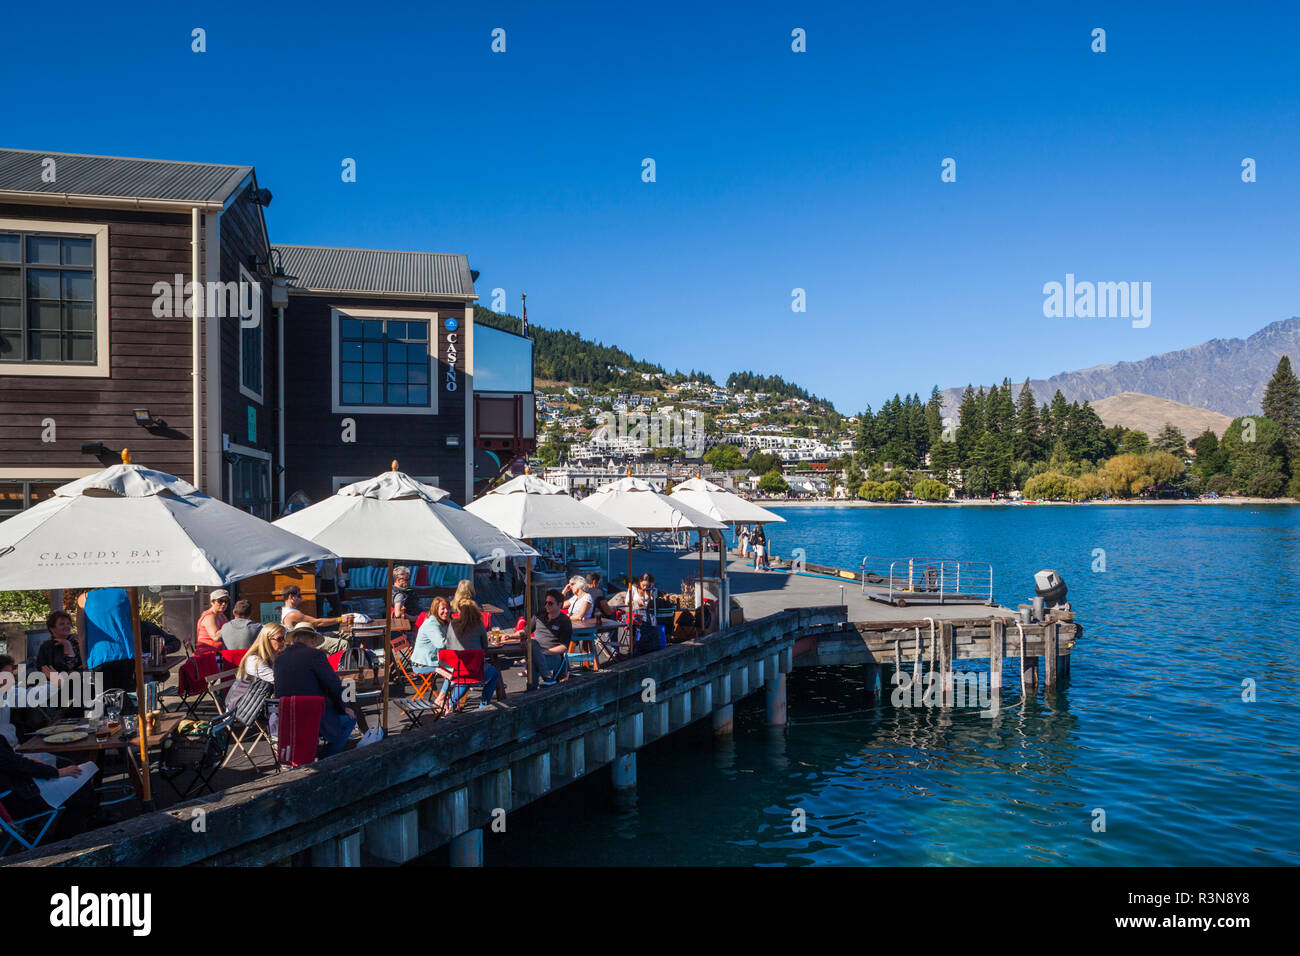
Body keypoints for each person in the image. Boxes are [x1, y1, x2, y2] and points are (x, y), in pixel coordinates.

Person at [272, 624, 356, 758]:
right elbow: (333, 685)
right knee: (351, 718)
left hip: (287, 718)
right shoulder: (315, 655)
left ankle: (317, 754)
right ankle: (328, 758)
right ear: (312, 640)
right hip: (312, 716)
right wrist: (343, 708)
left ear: (294, 640)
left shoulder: (279, 659)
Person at [0, 733, 98, 840]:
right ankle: (65, 837)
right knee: (79, 785)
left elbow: (9, 760)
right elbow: (16, 766)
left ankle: (93, 818)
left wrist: (24, 759)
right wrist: (57, 773)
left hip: (16, 790)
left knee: (67, 765)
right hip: (16, 799)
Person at [444, 592, 500, 710]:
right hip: (475, 671)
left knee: (463, 680)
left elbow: (447, 645)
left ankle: (451, 704)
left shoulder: (452, 624)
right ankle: (483, 704)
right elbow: (485, 647)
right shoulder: (478, 624)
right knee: (495, 674)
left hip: (454, 669)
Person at [76, 589, 136, 691]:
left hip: (98, 656)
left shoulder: (84, 599)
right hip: (125, 653)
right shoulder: (128, 594)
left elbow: (82, 635)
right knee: (123, 697)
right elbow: (135, 626)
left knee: (104, 700)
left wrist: (84, 662)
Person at [225, 623, 284, 711]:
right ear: (267, 640)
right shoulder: (254, 660)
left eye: (285, 638)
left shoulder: (273, 655)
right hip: (240, 705)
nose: (284, 642)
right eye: (280, 639)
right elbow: (279, 680)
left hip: (256, 702)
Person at [280, 585, 351, 654]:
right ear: (291, 597)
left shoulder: (288, 610)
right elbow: (317, 623)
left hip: (310, 635)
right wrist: (340, 619)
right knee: (343, 644)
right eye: (299, 596)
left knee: (348, 635)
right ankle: (341, 665)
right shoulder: (292, 614)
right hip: (307, 641)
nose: (301, 598)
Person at [525, 589, 571, 686]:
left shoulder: (564, 621)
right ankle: (547, 678)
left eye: (550, 603)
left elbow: (564, 647)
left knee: (533, 662)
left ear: (559, 604)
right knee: (531, 643)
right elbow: (526, 632)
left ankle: (531, 692)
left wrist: (544, 652)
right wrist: (510, 636)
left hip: (553, 656)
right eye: (545, 602)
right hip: (538, 653)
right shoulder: (539, 615)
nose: (546, 605)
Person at [36, 610, 82, 676]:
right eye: (62, 624)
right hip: (52, 683)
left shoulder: (77, 642)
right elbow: (42, 669)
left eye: (68, 623)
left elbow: (79, 668)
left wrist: (67, 646)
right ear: (52, 628)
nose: (66, 626)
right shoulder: (47, 646)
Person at [412, 597, 451, 669]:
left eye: (448, 608)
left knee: (458, 666)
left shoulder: (442, 621)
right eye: (443, 608)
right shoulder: (432, 623)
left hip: (433, 659)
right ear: (436, 610)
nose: (446, 611)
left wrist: (451, 624)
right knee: (455, 669)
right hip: (423, 663)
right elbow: (441, 644)